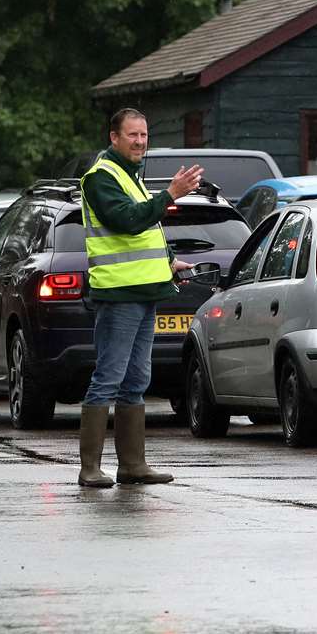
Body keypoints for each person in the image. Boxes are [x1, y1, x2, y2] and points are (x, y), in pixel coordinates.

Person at [77, 108, 202, 488]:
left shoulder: (131, 177)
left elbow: (144, 234)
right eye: (133, 135)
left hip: (144, 291)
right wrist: (170, 194)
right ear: (113, 137)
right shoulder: (101, 178)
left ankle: (132, 465)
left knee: (136, 379)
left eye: (145, 135)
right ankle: (90, 469)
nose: (140, 142)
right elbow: (128, 221)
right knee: (109, 377)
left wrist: (169, 261)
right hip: (119, 293)